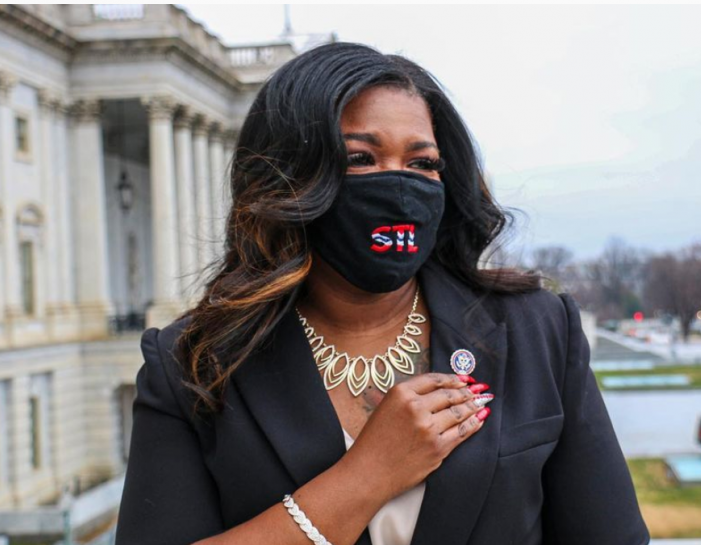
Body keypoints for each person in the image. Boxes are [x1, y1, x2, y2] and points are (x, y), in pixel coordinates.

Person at [116, 42, 650, 545]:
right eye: (360, 159)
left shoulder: (538, 328)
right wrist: (366, 476)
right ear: (289, 178)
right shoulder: (191, 364)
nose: (399, 187)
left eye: (422, 164)